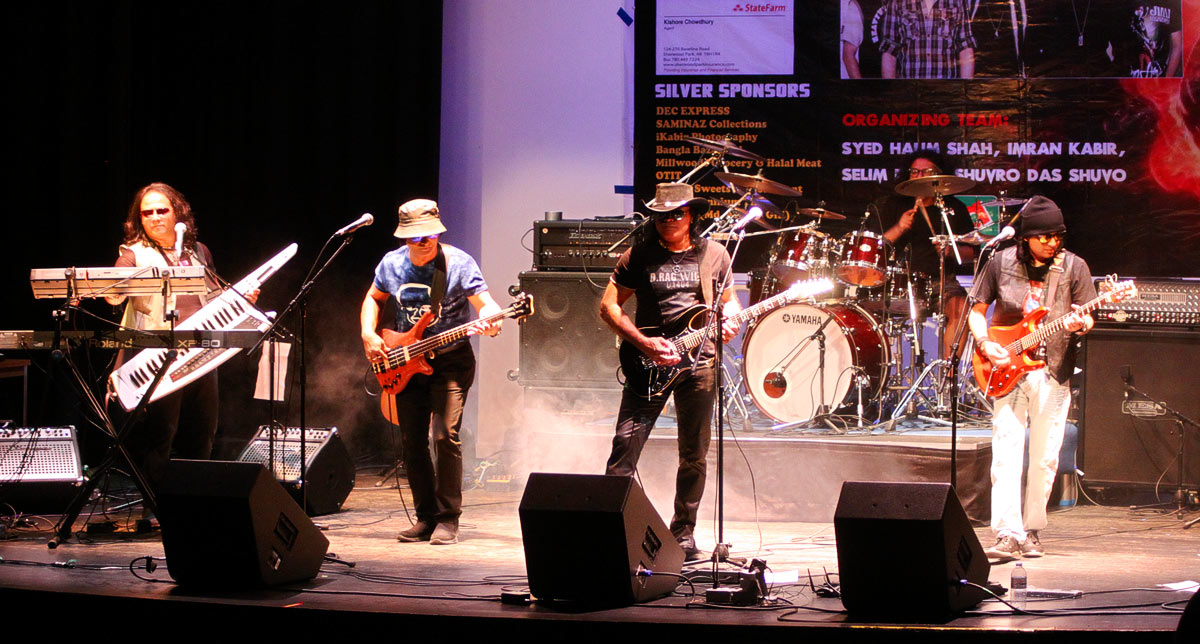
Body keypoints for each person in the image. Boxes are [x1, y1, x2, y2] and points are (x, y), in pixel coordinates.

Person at [599, 183, 742, 561]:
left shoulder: (714, 254)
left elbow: (729, 303)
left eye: (676, 214)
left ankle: (683, 532)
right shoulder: (638, 255)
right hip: (648, 364)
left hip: (700, 364)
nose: (667, 221)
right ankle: (614, 526)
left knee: (693, 454)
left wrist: (729, 322)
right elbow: (608, 307)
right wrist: (642, 343)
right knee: (624, 446)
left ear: (691, 215)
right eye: (660, 215)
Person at [361, 199, 502, 546]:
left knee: (443, 436)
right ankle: (425, 517)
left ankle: (449, 518)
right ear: (404, 238)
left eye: (429, 235)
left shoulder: (457, 263)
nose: (424, 242)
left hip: (451, 361)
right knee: (412, 442)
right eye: (415, 237)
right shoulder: (391, 264)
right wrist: (368, 333)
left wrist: (494, 319)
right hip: (405, 358)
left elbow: (485, 304)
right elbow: (374, 298)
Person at [968, 195, 1096, 559]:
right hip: (1005, 367)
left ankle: (1032, 529)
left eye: (1058, 236)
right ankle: (1007, 533)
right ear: (1025, 237)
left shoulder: (1074, 267)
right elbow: (977, 310)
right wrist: (984, 342)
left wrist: (1080, 323)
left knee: (1044, 456)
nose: (1053, 242)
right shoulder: (999, 262)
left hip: (1053, 371)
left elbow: (1086, 318)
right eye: (1045, 237)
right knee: (1006, 453)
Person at [104, 182, 253, 489]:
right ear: (139, 219)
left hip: (200, 351)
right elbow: (112, 296)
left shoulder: (198, 251)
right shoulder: (133, 254)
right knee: (161, 433)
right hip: (159, 356)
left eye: (162, 210)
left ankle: (195, 501)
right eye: (148, 213)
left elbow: (213, 297)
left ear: (178, 213)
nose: (156, 217)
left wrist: (242, 299)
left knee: (203, 431)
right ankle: (157, 507)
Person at [878, 151, 976, 360]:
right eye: (914, 171)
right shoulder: (895, 205)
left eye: (926, 172)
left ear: (940, 177)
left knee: (962, 309)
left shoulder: (953, 208)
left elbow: (972, 254)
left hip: (940, 282)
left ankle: (948, 377)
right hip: (899, 281)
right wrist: (899, 228)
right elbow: (876, 249)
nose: (919, 176)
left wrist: (951, 251)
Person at [879, 0, 976, 79]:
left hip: (947, 92)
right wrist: (891, 94)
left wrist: (965, 91)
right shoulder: (897, 2)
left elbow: (965, 48)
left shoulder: (957, 2)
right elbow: (889, 50)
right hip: (909, 92)